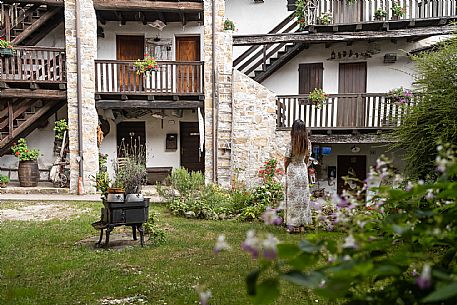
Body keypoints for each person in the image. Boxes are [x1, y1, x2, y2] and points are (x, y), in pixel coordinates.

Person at [284, 119, 312, 233]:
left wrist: (286, 170)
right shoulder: (308, 142)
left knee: (292, 199)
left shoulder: (291, 143)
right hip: (302, 169)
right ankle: (301, 226)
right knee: (303, 198)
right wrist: (303, 165)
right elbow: (307, 158)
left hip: (293, 170)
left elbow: (286, 159)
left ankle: (293, 226)